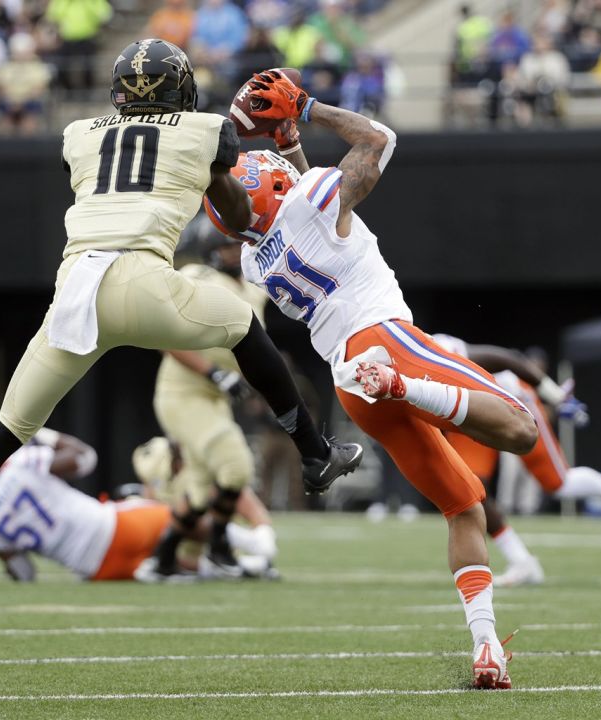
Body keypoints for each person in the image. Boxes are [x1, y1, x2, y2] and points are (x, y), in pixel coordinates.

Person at [0, 40, 362, 612]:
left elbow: (129, 153)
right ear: (181, 87)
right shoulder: (207, 130)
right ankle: (314, 452)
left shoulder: (79, 134)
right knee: (241, 325)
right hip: (142, 279)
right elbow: (234, 215)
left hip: (74, 292)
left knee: (6, 431)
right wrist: (234, 145)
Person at [209, 70, 537, 689]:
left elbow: (303, 196)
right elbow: (378, 140)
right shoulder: (309, 202)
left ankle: (487, 647)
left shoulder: (257, 254)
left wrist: (285, 145)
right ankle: (404, 386)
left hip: (349, 384)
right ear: (283, 185)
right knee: (520, 430)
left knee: (465, 506)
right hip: (383, 347)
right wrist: (305, 108)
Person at [430, 335, 601, 587]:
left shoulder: (436, 348)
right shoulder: (386, 366)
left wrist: (556, 396)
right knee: (471, 489)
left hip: (507, 399)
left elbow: (510, 360)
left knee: (558, 484)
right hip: (466, 413)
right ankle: (522, 562)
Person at [0, 430, 277, 581]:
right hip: (114, 528)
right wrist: (36, 432)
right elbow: (85, 458)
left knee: (166, 566)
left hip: (96, 570)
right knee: (178, 519)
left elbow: (24, 572)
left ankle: (246, 569)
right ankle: (255, 545)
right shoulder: (21, 466)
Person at [139, 232, 271, 579]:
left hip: (215, 399)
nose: (235, 253)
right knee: (236, 467)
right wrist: (213, 372)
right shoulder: (198, 278)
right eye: (228, 246)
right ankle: (219, 548)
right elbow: (162, 332)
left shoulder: (254, 288)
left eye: (239, 246)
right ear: (211, 250)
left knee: (198, 492)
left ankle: (162, 559)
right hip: (183, 394)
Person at [130, 436, 280, 579]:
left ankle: (253, 543)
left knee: (229, 485)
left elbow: (237, 492)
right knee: (168, 522)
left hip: (209, 537)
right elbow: (155, 509)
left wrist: (263, 529)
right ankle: (242, 555)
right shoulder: (157, 461)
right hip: (181, 548)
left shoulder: (200, 463)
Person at [45, 0, 112, 91]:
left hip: (88, 37)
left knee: (88, 66)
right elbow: (53, 16)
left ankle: (88, 91)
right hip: (66, 38)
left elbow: (105, 15)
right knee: (65, 66)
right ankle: (67, 91)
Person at [0, 34, 51, 134]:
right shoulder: (6, 67)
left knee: (29, 122)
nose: (21, 55)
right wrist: (14, 103)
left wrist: (20, 103)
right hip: (10, 102)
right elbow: (2, 88)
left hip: (30, 102)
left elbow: (38, 90)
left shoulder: (38, 67)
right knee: (5, 124)